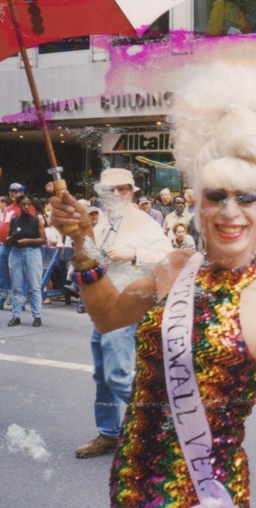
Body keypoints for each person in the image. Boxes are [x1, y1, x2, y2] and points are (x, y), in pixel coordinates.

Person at [49, 61, 256, 507]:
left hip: (208, 494)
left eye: (246, 197)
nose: (229, 211)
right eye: (216, 196)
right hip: (130, 486)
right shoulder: (173, 269)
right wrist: (81, 241)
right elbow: (106, 317)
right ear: (197, 204)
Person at [73, 168, 173, 460]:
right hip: (103, 304)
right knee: (103, 376)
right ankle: (109, 433)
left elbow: (168, 258)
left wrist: (133, 254)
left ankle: (165, 422)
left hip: (127, 304)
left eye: (123, 189)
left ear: (132, 191)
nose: (116, 194)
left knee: (117, 375)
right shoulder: (101, 221)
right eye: (110, 189)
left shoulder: (144, 222)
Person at [5, 195, 46, 327]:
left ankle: (37, 316)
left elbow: (43, 239)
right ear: (19, 205)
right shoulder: (14, 220)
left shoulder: (36, 220)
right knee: (17, 287)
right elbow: (7, 239)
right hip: (16, 252)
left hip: (32, 252)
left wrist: (28, 241)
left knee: (35, 286)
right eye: (23, 204)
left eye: (29, 204)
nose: (26, 207)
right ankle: (16, 315)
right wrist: (11, 238)